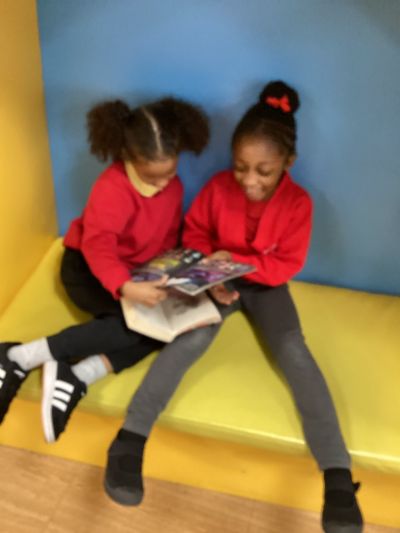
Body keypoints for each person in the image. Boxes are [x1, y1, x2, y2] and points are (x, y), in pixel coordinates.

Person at [103, 81, 363, 533]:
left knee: (294, 351)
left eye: (264, 171)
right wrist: (213, 269)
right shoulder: (219, 188)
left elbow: (287, 264)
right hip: (215, 280)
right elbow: (195, 232)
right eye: (241, 167)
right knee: (191, 338)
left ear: (287, 163)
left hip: (265, 286)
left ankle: (338, 476)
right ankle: (130, 440)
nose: (249, 180)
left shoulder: (299, 204)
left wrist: (241, 265)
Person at [0, 96, 209, 444]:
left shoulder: (173, 188)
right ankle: (19, 356)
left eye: (170, 173)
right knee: (132, 325)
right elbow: (98, 247)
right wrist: (125, 286)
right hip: (87, 269)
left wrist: (170, 276)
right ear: (127, 158)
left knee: (162, 331)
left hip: (135, 273)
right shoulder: (113, 187)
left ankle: (79, 375)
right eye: (151, 176)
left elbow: (166, 238)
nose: (162, 184)